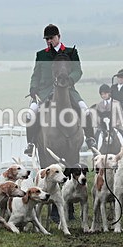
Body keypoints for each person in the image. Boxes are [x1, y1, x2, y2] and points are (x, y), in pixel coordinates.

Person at [24, 24, 97, 156]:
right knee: (31, 113)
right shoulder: (41, 55)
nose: (49, 41)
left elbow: (77, 70)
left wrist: (70, 80)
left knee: (84, 109)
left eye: (51, 38)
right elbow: (36, 75)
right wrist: (33, 87)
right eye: (46, 39)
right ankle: (31, 143)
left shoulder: (71, 52)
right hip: (44, 92)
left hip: (68, 90)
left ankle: (90, 138)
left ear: (59, 36)